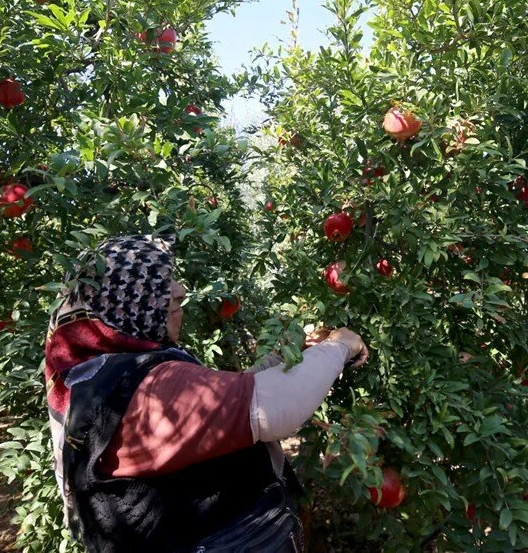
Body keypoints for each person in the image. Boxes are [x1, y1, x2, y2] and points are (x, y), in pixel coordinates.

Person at [44, 235, 368, 552]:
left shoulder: (101, 373)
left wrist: (289, 353)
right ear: (123, 301)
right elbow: (274, 409)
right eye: (161, 283)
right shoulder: (147, 389)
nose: (179, 292)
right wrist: (341, 344)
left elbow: (221, 405)